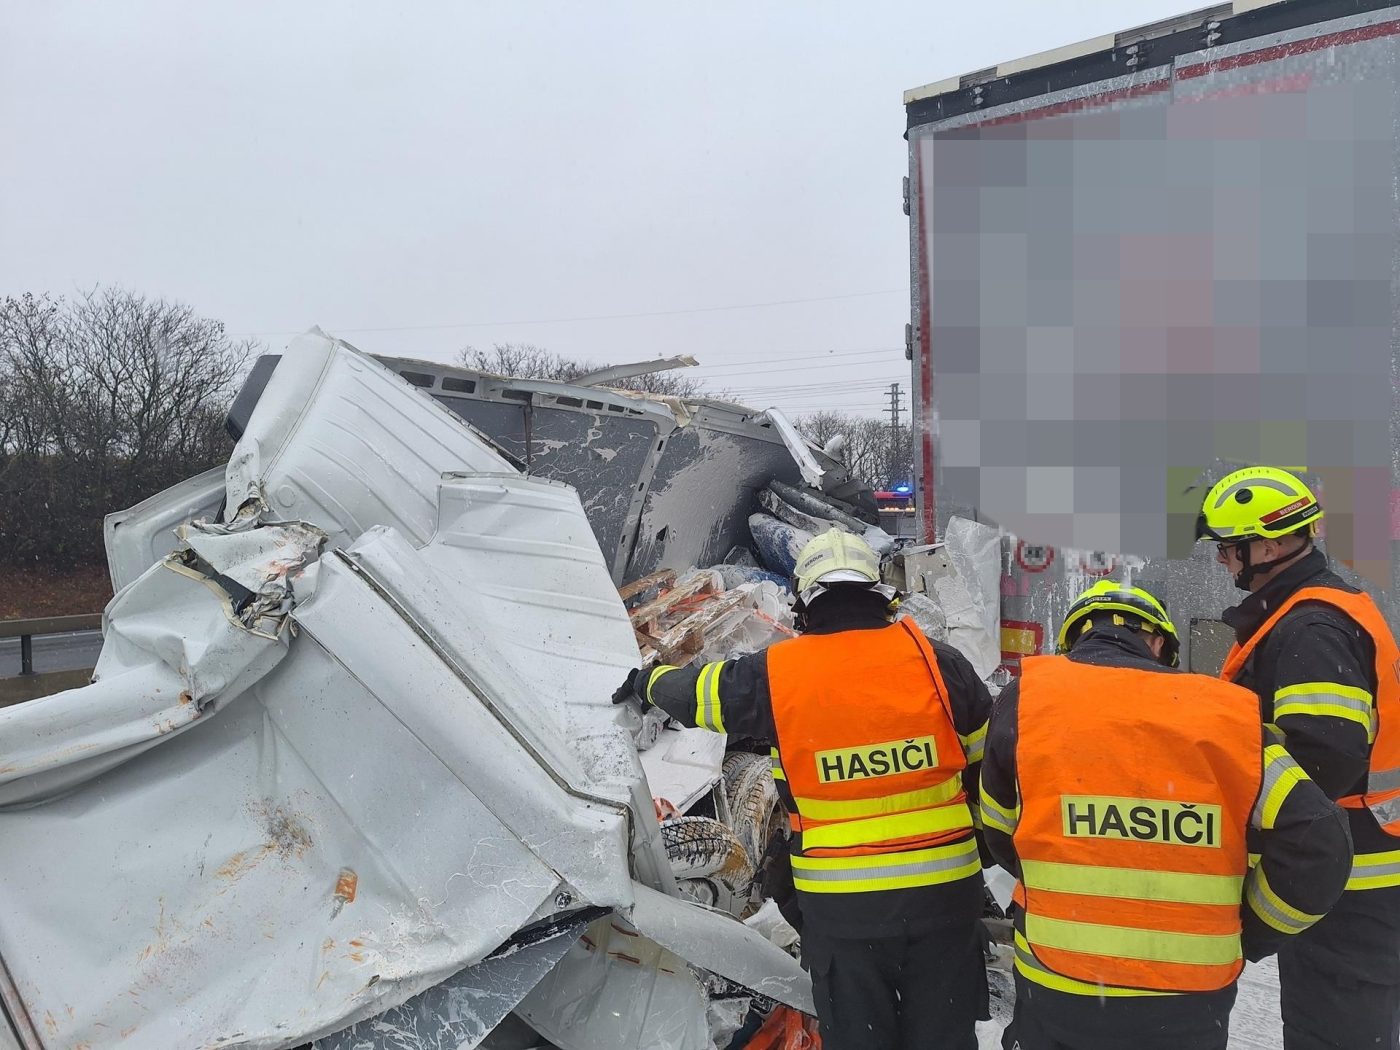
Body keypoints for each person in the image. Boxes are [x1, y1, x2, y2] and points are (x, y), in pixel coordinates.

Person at [613, 529, 994, 1050]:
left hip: (844, 911)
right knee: (944, 1038)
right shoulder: (937, 662)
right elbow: (986, 770)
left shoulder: (778, 674)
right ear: (879, 593)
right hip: (946, 898)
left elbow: (695, 694)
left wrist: (645, 683)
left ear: (805, 600)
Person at [980, 580, 1351, 1050]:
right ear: (1157, 642)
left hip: (1061, 979)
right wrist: (1249, 931)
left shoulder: (1027, 697)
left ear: (1073, 640)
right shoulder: (1226, 714)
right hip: (1189, 996)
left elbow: (997, 827)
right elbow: (1321, 839)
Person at [1198, 465, 1400, 1048]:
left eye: (1230, 550)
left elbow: (1323, 757)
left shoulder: (1311, 626)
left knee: (1335, 1031)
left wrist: (1250, 819)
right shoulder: (1309, 612)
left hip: (1347, 870)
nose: (1224, 562)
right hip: (1345, 857)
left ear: (1272, 543)